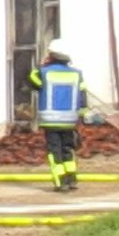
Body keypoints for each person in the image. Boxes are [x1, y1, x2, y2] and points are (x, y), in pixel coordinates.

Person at [29, 38, 92, 192]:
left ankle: (60, 182)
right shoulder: (77, 74)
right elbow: (83, 97)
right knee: (68, 149)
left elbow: (32, 81)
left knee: (54, 151)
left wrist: (41, 66)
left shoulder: (43, 72)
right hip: (69, 121)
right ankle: (71, 180)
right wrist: (81, 116)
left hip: (50, 121)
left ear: (51, 55)